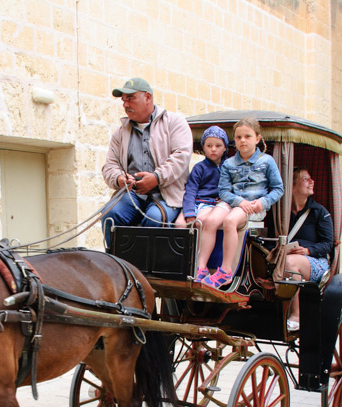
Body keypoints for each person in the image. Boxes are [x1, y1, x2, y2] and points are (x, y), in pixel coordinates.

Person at [101, 77, 193, 248]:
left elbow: (181, 156)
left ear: (148, 98)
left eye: (130, 98)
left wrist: (157, 177)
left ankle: (145, 265)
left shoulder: (175, 122)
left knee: (154, 219)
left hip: (166, 194)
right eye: (123, 100)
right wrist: (119, 179)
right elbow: (110, 165)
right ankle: (114, 262)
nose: (125, 104)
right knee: (109, 215)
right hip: (133, 194)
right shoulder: (120, 133)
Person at [203, 118, 283, 289]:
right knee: (209, 220)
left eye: (247, 136)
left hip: (253, 207)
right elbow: (223, 191)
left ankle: (225, 270)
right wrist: (239, 201)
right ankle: (200, 267)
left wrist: (263, 202)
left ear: (257, 138)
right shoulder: (229, 164)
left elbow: (278, 189)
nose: (243, 140)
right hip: (233, 202)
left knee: (230, 221)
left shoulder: (267, 161)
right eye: (238, 137)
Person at [175, 126, 230, 283]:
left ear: (225, 148)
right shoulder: (199, 168)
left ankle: (201, 265)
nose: (213, 149)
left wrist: (223, 198)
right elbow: (190, 191)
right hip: (196, 202)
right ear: (203, 147)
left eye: (218, 146)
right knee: (180, 224)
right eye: (209, 145)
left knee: (201, 222)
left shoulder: (228, 167)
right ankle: (182, 263)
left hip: (211, 204)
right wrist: (189, 213)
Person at [285, 167, 334, 330]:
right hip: (283, 259)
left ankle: (296, 315)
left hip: (315, 262)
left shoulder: (319, 212)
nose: (312, 182)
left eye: (310, 178)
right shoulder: (280, 213)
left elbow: (328, 244)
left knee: (290, 262)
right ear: (293, 186)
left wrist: (307, 251)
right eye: (306, 179)